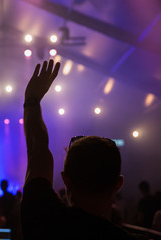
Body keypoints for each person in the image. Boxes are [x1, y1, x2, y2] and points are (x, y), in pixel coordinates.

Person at [20, 60, 139, 239]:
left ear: (66, 179)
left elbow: (37, 152)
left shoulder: (43, 217)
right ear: (118, 184)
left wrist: (32, 100)